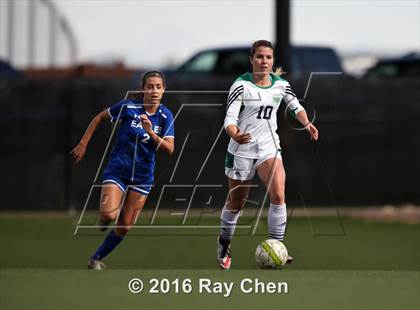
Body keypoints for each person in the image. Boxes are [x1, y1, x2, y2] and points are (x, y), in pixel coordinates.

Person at [217, 40, 319, 270]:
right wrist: (235, 134)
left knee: (278, 195)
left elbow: (295, 105)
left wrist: (307, 123)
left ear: (273, 61)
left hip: (268, 147)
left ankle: (277, 246)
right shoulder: (240, 86)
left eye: (268, 57)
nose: (264, 61)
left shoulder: (281, 84)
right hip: (241, 149)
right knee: (236, 203)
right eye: (260, 57)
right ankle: (224, 243)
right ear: (251, 59)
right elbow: (230, 119)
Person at [71, 71, 175, 270]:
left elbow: (170, 148)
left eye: (158, 87)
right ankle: (103, 218)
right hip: (119, 169)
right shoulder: (129, 107)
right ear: (143, 89)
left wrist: (150, 132)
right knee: (109, 216)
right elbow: (100, 117)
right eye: (150, 86)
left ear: (164, 90)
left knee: (125, 225)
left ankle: (96, 258)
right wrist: (83, 144)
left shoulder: (165, 115)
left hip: (143, 175)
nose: (154, 91)